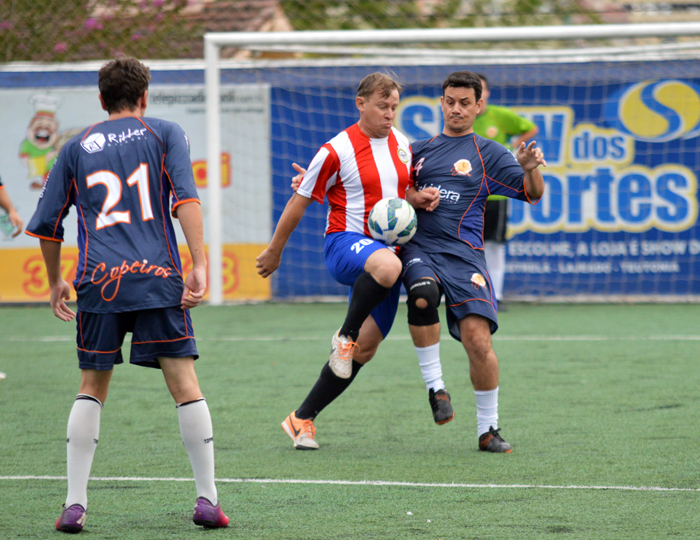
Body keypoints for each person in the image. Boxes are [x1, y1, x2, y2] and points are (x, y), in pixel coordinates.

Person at [25, 58, 229, 533]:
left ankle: (74, 504)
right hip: (158, 277)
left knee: (91, 386)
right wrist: (197, 264)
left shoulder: (76, 146)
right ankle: (206, 500)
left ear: (100, 100)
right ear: (144, 96)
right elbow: (185, 200)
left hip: (98, 281)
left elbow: (49, 222)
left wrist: (56, 279)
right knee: (184, 384)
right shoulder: (164, 132)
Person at [256, 72, 439, 450]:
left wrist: (417, 197)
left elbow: (400, 189)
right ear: (361, 104)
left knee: (366, 351)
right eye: (381, 106)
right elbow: (300, 200)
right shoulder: (335, 149)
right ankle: (345, 335)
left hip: (384, 256)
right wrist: (275, 249)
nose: (389, 114)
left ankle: (301, 419)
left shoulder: (403, 144)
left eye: (393, 107)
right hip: (345, 244)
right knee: (389, 268)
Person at [403, 71, 546, 452]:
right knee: (422, 295)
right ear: (441, 102)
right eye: (450, 101)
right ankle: (436, 388)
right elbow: (391, 188)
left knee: (478, 340)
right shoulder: (416, 151)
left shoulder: (491, 153)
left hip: (466, 256)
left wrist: (530, 169)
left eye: (465, 102)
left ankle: (488, 430)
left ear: (479, 106)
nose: (456, 109)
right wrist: (414, 195)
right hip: (422, 248)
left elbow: (533, 195)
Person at [473, 73, 539, 308]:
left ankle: (495, 296)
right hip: (468, 195)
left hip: (496, 194)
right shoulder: (461, 118)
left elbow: (530, 128)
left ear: (488, 93)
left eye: (481, 89)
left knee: (494, 245)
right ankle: (465, 293)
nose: (477, 95)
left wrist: (512, 145)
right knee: (465, 244)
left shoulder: (499, 116)